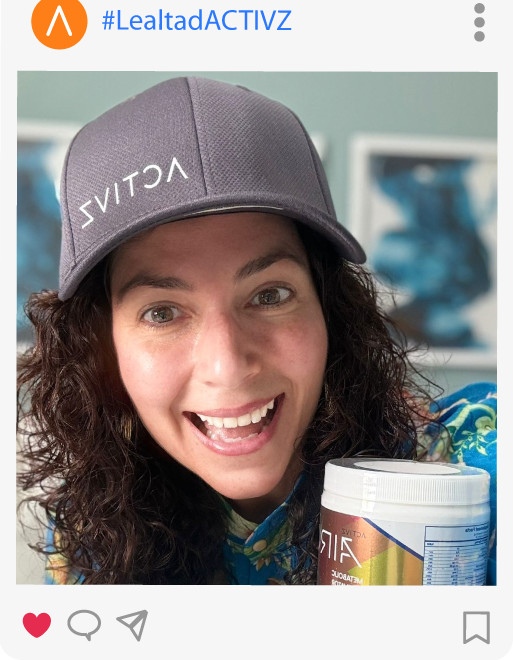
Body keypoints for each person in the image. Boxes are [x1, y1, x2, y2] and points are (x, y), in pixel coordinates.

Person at [17, 76, 497, 585]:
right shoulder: (89, 525)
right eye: (162, 313)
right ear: (101, 344)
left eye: (269, 295)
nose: (227, 367)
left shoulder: (482, 469)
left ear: (330, 308)